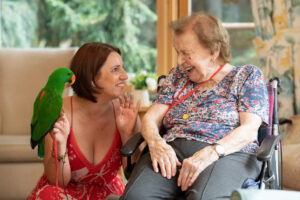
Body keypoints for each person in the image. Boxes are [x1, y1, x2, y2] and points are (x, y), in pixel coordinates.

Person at [121, 12, 269, 200]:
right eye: (177, 52)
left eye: (186, 54)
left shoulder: (246, 76)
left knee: (203, 198)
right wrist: (156, 143)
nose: (179, 61)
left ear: (214, 50)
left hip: (227, 154)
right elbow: (151, 118)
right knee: (136, 197)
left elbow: (249, 130)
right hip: (172, 151)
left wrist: (211, 153)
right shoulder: (177, 77)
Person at [28, 42, 141, 200]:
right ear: (92, 77)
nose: (125, 76)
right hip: (64, 194)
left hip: (108, 195)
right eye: (115, 69)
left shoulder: (127, 115)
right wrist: (60, 146)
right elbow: (58, 181)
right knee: (50, 195)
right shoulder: (59, 113)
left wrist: (127, 134)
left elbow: (134, 177)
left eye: (122, 68)